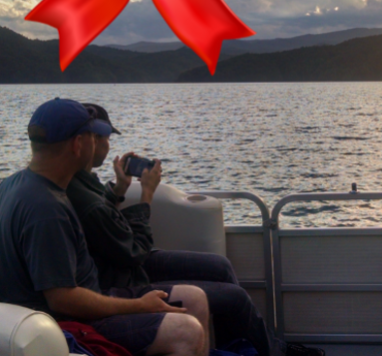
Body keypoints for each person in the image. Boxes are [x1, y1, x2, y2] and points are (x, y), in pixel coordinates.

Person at [66, 103, 324, 356]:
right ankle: (273, 351)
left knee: (219, 266)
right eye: (106, 138)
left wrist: (120, 189)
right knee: (234, 298)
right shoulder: (82, 196)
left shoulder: (86, 183)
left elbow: (107, 223)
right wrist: (146, 194)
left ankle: (235, 348)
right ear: (90, 140)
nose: (109, 145)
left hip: (124, 260)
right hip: (126, 272)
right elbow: (135, 250)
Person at [0, 98, 211, 356]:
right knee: (186, 331)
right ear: (79, 144)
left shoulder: (14, 185)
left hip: (85, 302)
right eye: (93, 136)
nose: (100, 143)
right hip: (68, 324)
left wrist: (117, 191)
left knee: (194, 299)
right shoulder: (46, 210)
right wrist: (137, 306)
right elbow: (62, 298)